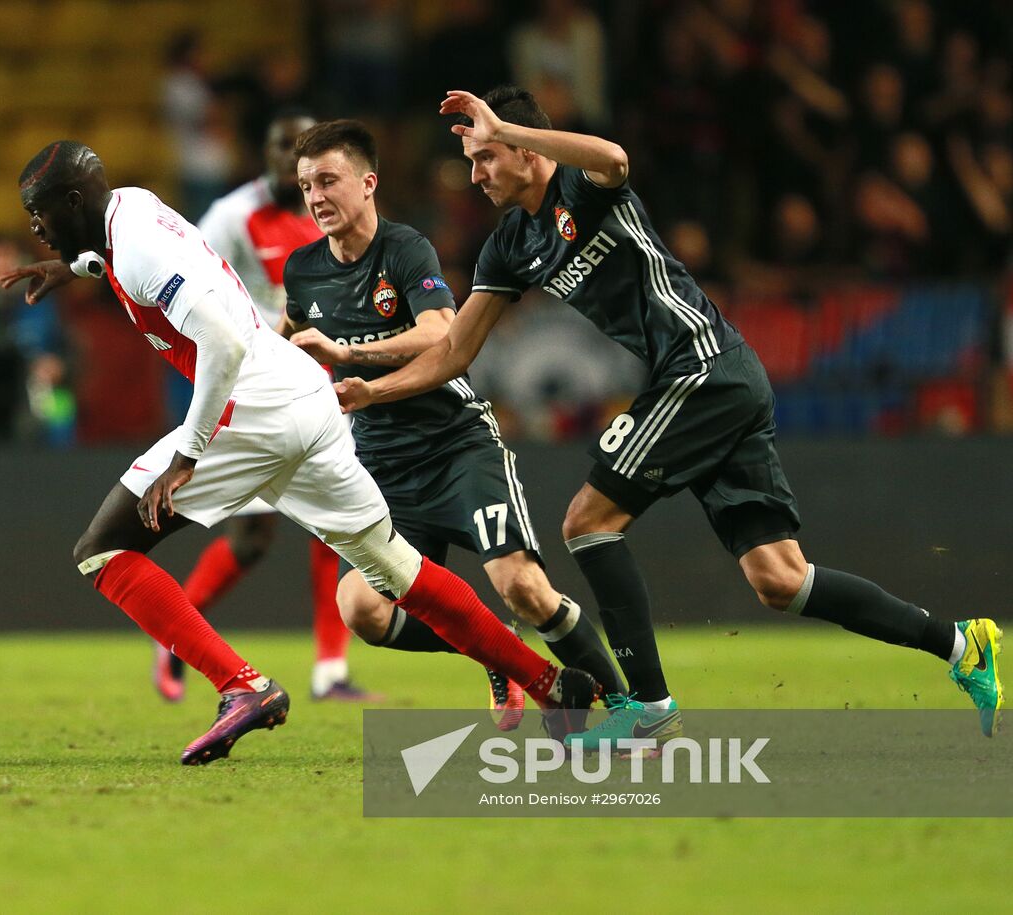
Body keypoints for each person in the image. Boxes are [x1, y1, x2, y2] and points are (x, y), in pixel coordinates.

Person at [336, 86, 1004, 745]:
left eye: (485, 157)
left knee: (587, 522)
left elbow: (615, 158)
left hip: (704, 367)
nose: (476, 175)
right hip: (706, 381)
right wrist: (374, 389)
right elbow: (455, 349)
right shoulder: (509, 244)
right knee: (780, 578)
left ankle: (649, 709)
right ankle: (960, 644)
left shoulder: (582, 189)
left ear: (522, 148)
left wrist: (511, 131)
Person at [0, 140, 597, 765]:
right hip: (306, 398)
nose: (34, 228)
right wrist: (73, 269)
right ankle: (552, 684)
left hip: (252, 406)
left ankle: (243, 688)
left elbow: (222, 345)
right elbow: (124, 260)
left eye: (37, 213)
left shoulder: (140, 246)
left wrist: (187, 456)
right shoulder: (130, 209)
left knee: (103, 551)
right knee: (397, 573)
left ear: (71, 201)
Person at [283, 119, 623, 729]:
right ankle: (500, 657)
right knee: (360, 610)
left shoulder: (405, 249)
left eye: (329, 180)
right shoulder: (302, 271)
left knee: (522, 587)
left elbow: (442, 331)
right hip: (381, 466)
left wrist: (351, 353)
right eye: (306, 185)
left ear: (368, 183)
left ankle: (628, 709)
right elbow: (285, 341)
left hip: (455, 447)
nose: (316, 197)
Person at [156, 111, 367, 704]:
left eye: (303, 148)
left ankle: (330, 671)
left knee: (333, 528)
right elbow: (184, 282)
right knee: (253, 537)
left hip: (321, 382)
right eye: (282, 146)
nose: (291, 159)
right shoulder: (230, 216)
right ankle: (176, 632)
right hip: (255, 386)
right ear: (266, 151)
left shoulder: (336, 212)